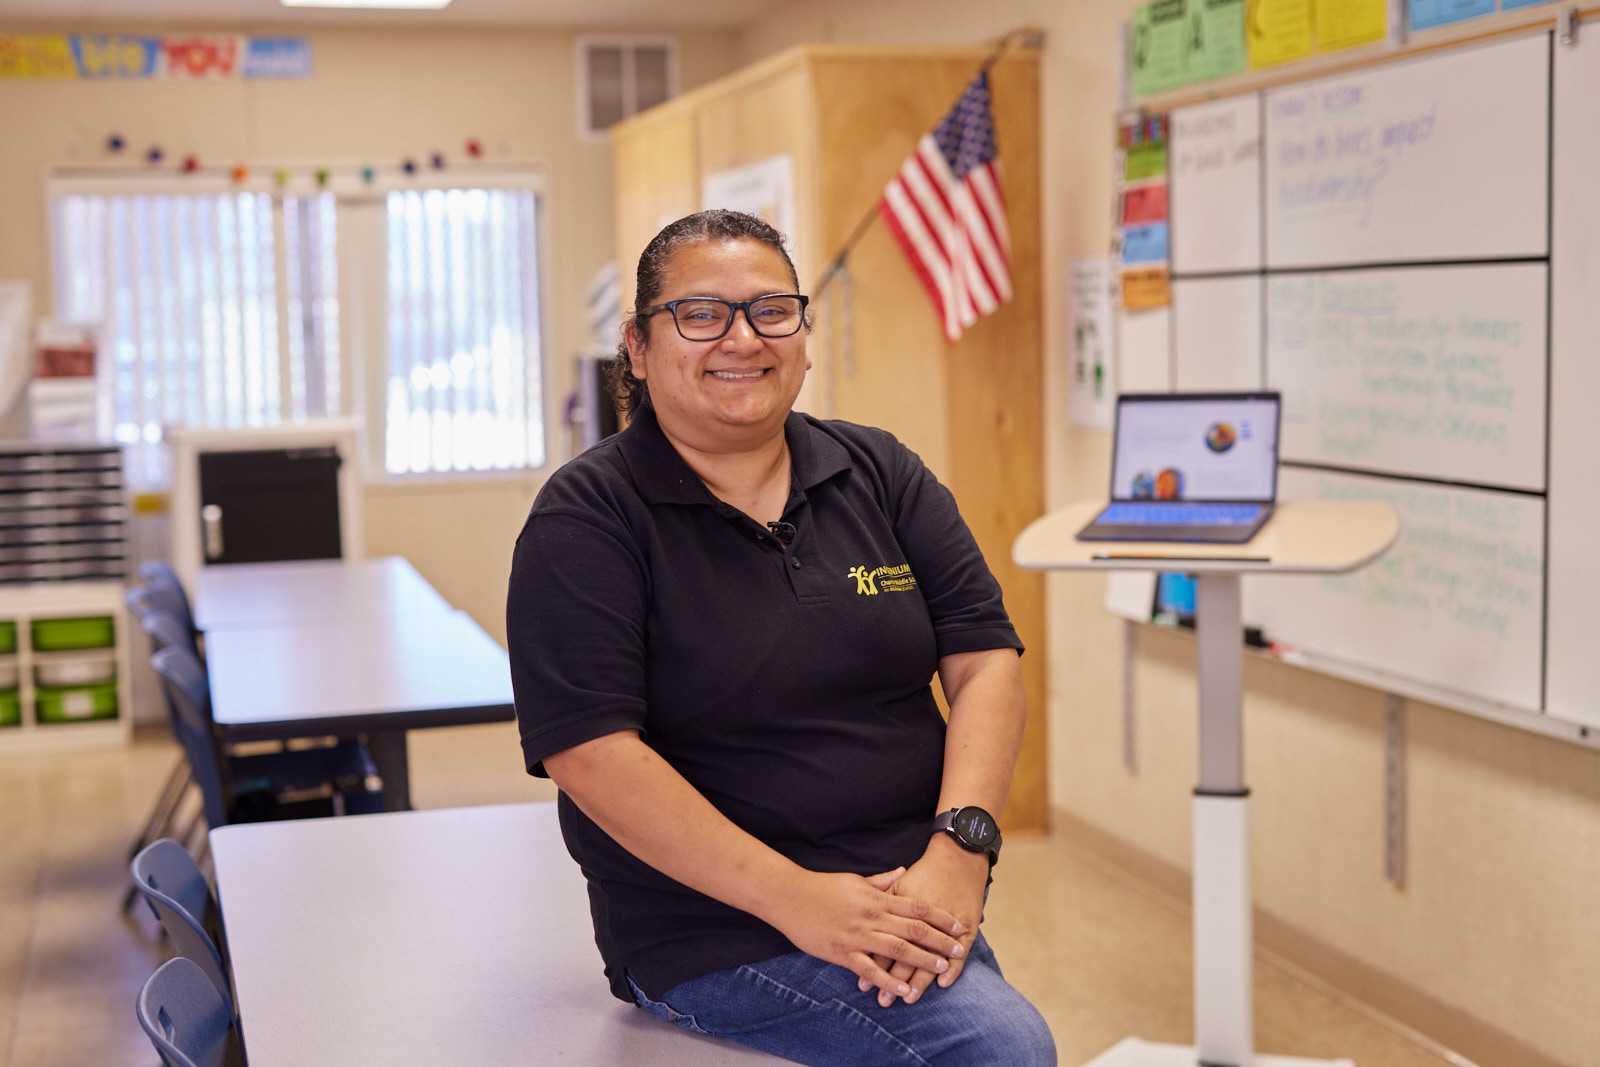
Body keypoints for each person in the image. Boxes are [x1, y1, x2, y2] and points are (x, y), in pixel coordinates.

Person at [506, 209, 1055, 1066]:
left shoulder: (879, 472)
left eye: (771, 310)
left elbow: (986, 662)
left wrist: (963, 845)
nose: (742, 338)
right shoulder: (587, 517)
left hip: (908, 888)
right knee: (1000, 1049)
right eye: (700, 313)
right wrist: (800, 900)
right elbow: (593, 753)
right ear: (640, 349)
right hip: (712, 928)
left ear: (802, 334)